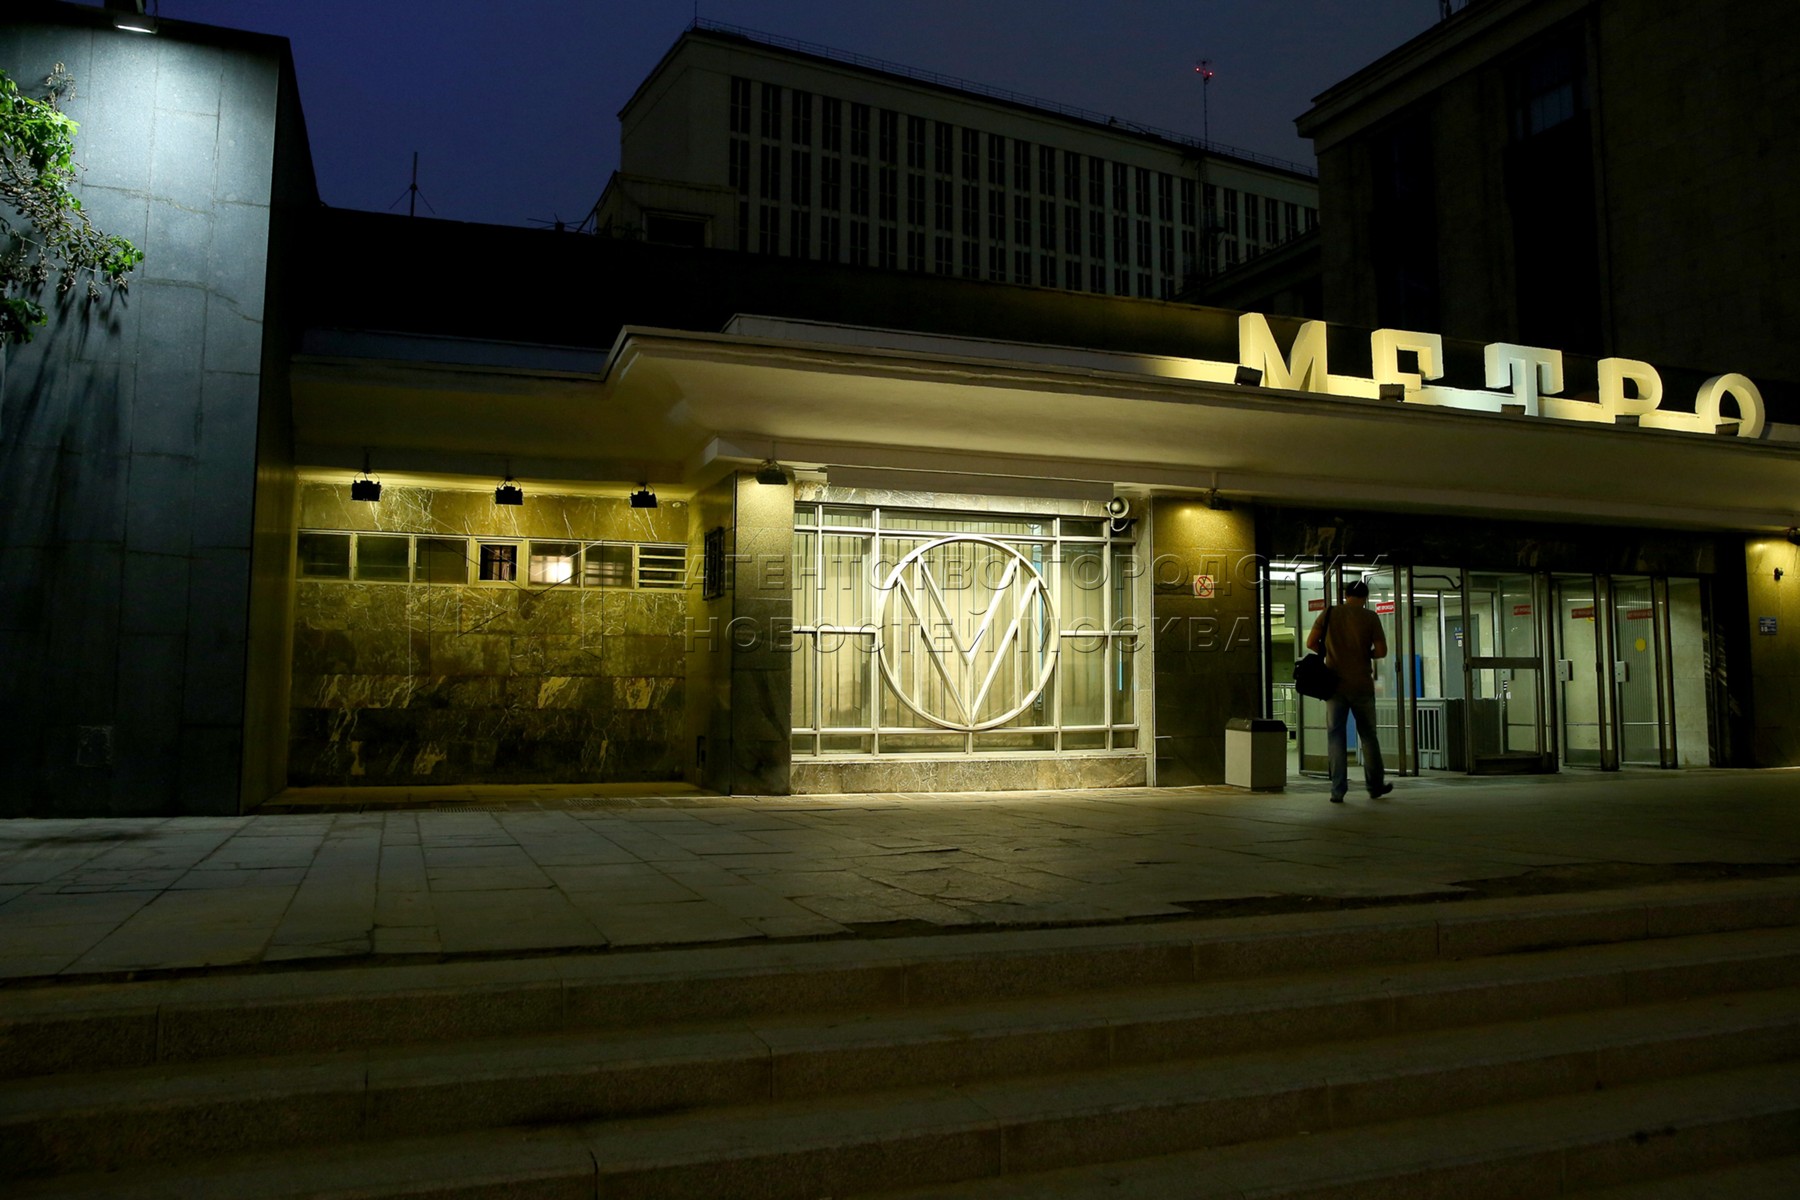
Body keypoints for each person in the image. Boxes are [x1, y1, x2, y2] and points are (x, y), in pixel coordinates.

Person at [1306, 578, 1393, 803]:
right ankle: (1375, 786)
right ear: (1365, 598)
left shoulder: (1329, 613)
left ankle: (1338, 790)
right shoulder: (1370, 617)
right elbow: (1381, 651)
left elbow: (1311, 642)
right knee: (1368, 736)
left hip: (1334, 685)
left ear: (1345, 595)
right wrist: (1364, 654)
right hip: (1362, 685)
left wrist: (1330, 653)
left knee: (1335, 735)